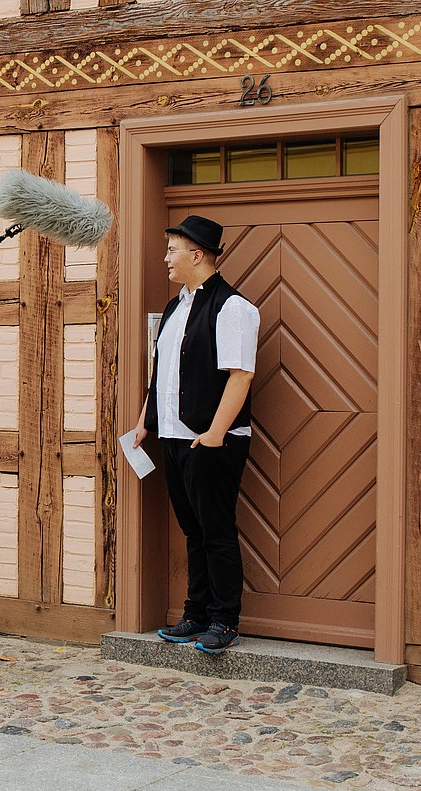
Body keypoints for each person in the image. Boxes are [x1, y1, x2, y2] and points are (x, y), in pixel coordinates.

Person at [133, 215, 260, 655]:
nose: (165, 257)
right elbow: (162, 372)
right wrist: (146, 421)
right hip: (171, 436)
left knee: (216, 529)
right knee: (193, 529)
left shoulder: (233, 308)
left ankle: (224, 621)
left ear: (197, 254)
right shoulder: (174, 307)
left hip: (212, 439)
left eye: (172, 250)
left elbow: (240, 376)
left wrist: (214, 434)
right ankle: (196, 613)